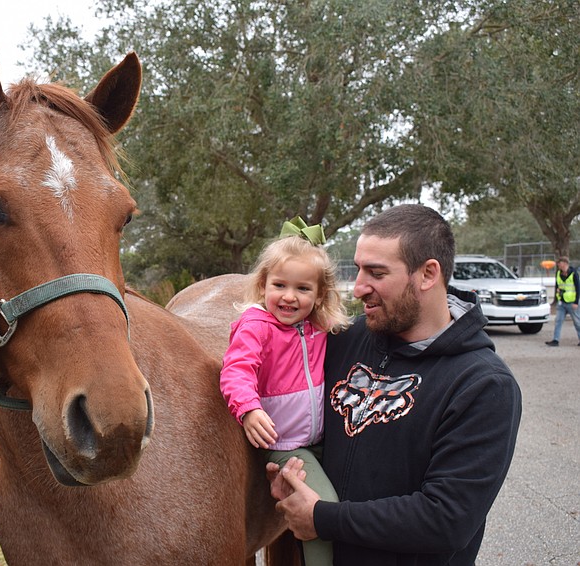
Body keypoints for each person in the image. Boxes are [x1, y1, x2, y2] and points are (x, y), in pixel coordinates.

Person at [267, 204, 522, 566]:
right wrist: (293, 474)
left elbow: (446, 519)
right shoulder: (344, 340)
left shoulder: (483, 385)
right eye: (357, 269)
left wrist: (322, 518)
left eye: (376, 273)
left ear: (427, 274)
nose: (358, 288)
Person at [220, 216, 350, 566]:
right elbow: (236, 370)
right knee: (324, 512)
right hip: (285, 445)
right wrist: (249, 409)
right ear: (263, 285)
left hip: (319, 439)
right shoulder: (256, 326)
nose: (289, 297)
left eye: (303, 289)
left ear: (320, 294)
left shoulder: (318, 329)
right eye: (280, 285)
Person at [545, 255, 580, 347]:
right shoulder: (558, 273)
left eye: (559, 264)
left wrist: (576, 302)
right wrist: (557, 295)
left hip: (572, 302)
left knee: (577, 322)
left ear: (564, 263)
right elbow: (557, 285)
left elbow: (578, 288)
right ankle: (555, 340)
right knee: (558, 321)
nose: (558, 265)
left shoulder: (573, 273)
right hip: (561, 302)